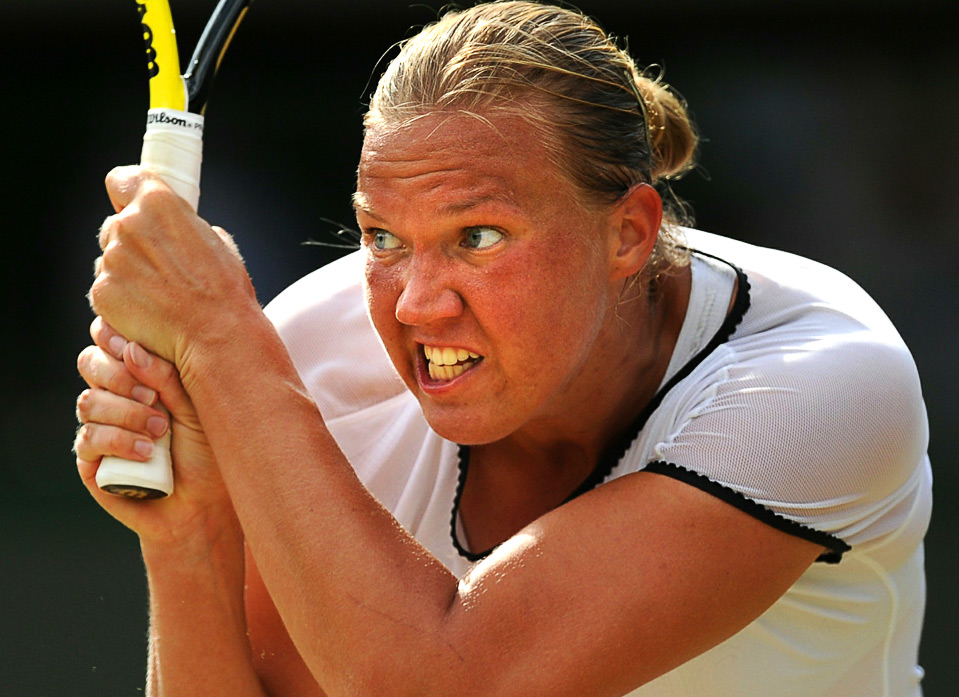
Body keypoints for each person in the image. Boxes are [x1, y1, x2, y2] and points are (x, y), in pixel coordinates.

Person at [74, 2, 932, 695]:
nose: (416, 303)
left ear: (629, 232)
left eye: (477, 236)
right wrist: (188, 536)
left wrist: (221, 336)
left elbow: (443, 683)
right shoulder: (305, 356)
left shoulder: (823, 380)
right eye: (381, 237)